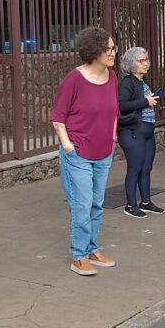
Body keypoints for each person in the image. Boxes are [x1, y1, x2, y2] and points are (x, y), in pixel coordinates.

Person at [50, 27, 120, 276]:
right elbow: (58, 117)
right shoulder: (74, 80)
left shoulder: (111, 77)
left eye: (113, 48)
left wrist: (112, 136)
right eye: (108, 49)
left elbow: (113, 110)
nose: (113, 53)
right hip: (78, 152)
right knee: (81, 204)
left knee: (96, 203)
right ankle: (78, 255)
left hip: (103, 152)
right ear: (94, 51)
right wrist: (68, 146)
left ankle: (91, 247)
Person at [117, 47, 165, 218]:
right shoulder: (127, 82)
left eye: (146, 60)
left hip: (146, 131)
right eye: (141, 61)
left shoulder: (142, 83)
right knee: (135, 168)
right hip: (132, 132)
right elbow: (121, 106)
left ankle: (146, 202)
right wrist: (146, 101)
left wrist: (149, 101)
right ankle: (130, 205)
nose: (146, 64)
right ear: (130, 63)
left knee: (146, 168)